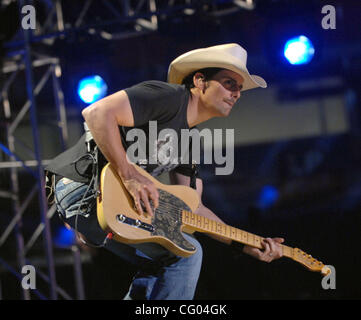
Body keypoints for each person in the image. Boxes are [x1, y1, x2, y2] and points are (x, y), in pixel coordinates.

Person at [45, 43, 285, 300]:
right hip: (82, 187)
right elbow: (96, 112)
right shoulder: (169, 97)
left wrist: (245, 243)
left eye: (239, 88)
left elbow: (193, 208)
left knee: (169, 260)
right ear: (200, 81)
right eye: (229, 83)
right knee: (186, 254)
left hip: (109, 203)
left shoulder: (189, 142)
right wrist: (129, 175)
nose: (236, 93)